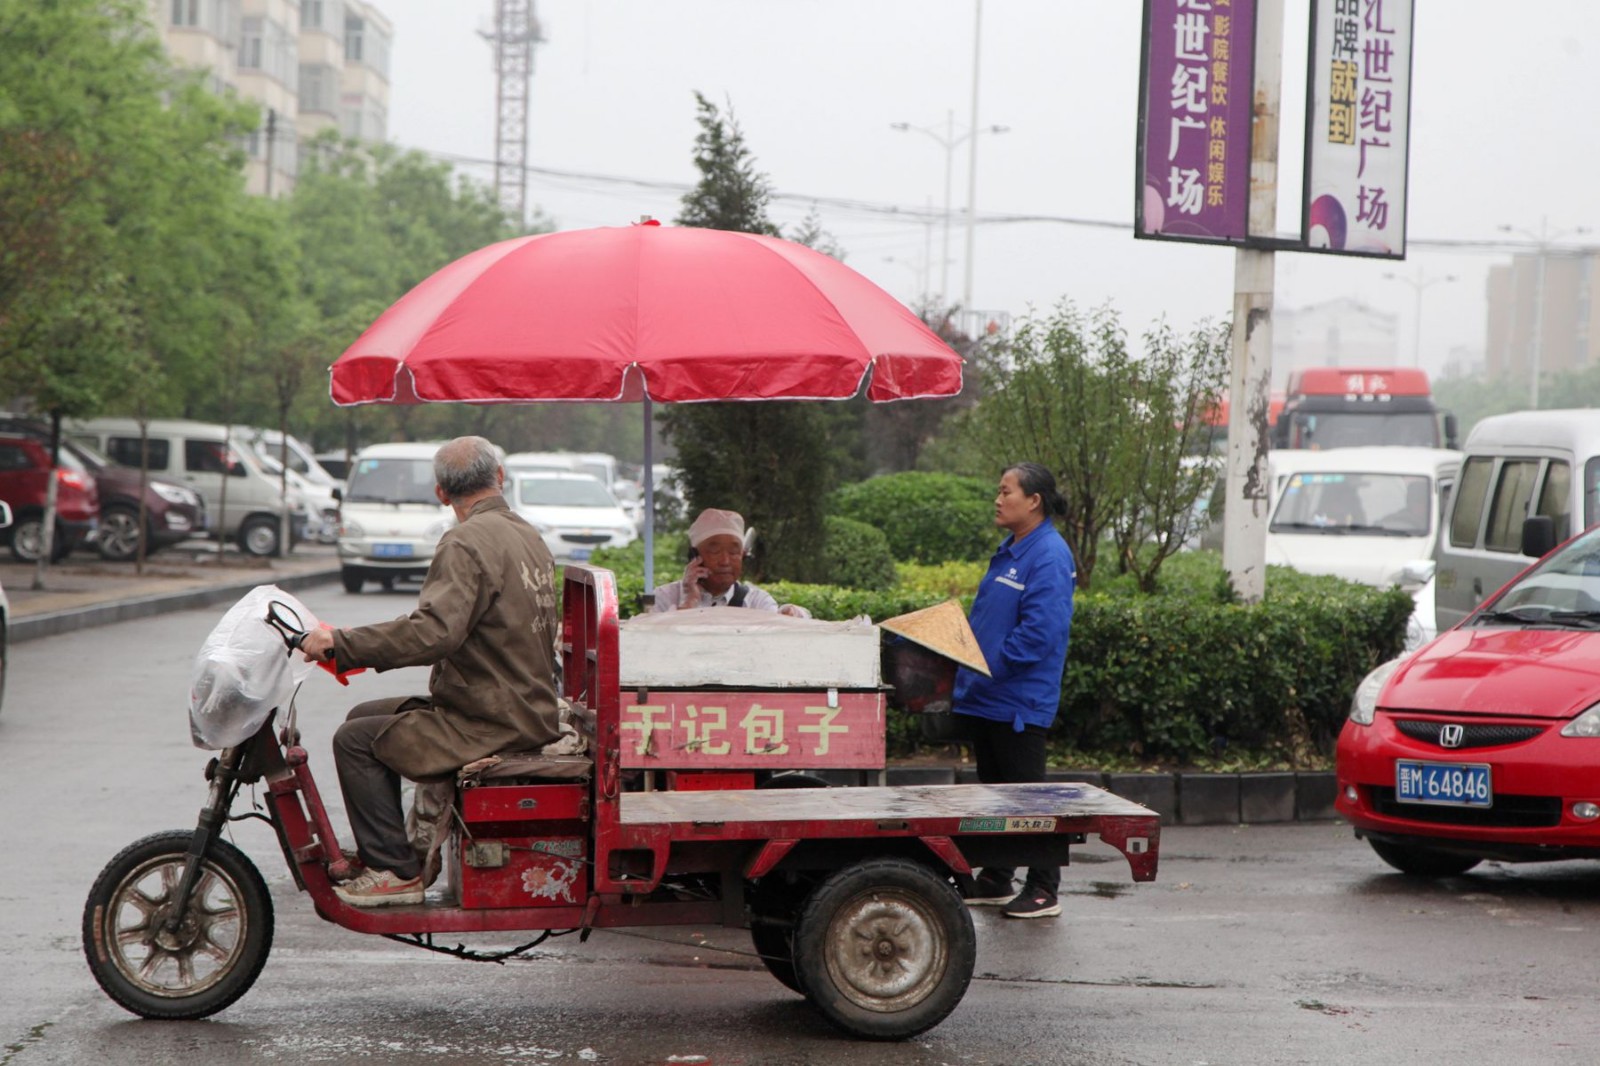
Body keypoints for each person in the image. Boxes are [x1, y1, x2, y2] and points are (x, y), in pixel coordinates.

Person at [299, 436, 561, 908]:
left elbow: (435, 633)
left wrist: (342, 643)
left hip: (491, 718)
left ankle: (397, 873)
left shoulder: (465, 541)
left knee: (354, 742)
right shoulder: (526, 534)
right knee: (363, 715)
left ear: (441, 493)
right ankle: (398, 851)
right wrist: (348, 646)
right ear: (500, 476)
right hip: (519, 702)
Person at [954, 462, 1076, 919]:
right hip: (989, 695)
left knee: (1028, 797)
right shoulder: (1013, 548)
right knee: (995, 793)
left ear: (1034, 501)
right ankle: (997, 876)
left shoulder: (1049, 554)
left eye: (1006, 491)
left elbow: (1040, 633)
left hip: (1020, 699)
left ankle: (1045, 888)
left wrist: (988, 666)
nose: (998, 499)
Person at [650, 507, 810, 617]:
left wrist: (791, 613)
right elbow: (657, 645)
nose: (725, 561)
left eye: (734, 552)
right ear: (694, 555)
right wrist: (688, 601)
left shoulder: (756, 601)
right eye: (715, 551)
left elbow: (784, 623)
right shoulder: (663, 597)